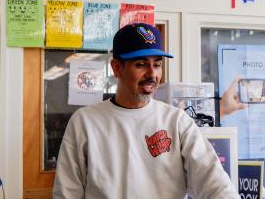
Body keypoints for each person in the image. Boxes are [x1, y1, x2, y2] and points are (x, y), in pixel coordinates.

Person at [53, 23, 240, 199]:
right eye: (141, 64)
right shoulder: (84, 122)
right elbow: (67, 193)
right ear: (117, 68)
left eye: (157, 64)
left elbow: (215, 183)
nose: (152, 74)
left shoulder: (176, 121)